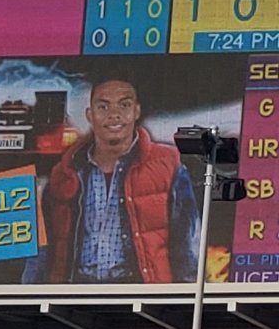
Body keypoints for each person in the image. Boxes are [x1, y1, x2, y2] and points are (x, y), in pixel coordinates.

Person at [37, 74, 199, 284]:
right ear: (89, 115)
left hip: (140, 294)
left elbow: (187, 242)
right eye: (103, 107)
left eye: (124, 105)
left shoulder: (167, 164)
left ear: (136, 112)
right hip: (76, 295)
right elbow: (46, 249)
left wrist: (184, 302)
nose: (114, 115)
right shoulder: (65, 172)